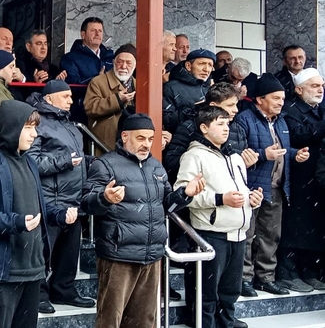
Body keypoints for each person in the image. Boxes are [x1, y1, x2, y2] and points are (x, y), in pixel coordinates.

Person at [82, 114, 204, 328]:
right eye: (141, 138)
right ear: (125, 136)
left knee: (145, 321)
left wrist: (185, 194)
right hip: (118, 256)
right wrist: (105, 198)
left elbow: (167, 205)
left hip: (152, 255)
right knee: (110, 320)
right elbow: (86, 204)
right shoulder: (105, 165)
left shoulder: (156, 167)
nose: (146, 144)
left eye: (150, 139)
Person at [0, 99, 77, 328]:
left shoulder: (29, 163)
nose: (34, 134)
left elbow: (37, 206)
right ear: (12, 127)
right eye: (29, 127)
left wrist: (58, 214)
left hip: (32, 269)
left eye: (35, 128)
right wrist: (13, 222)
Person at [176, 106, 262, 328]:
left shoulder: (234, 157)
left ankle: (226, 324)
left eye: (227, 123)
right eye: (220, 124)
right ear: (204, 128)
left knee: (230, 292)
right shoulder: (193, 155)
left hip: (239, 233)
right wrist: (220, 199)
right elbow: (184, 194)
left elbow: (239, 190)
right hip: (211, 235)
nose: (226, 129)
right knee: (207, 294)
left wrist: (252, 199)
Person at [235, 73, 309, 297]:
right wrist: (261, 155)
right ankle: (244, 279)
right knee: (247, 235)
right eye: (275, 98)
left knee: (270, 235)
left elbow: (281, 149)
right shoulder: (244, 119)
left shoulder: (282, 121)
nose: (280, 102)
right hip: (251, 188)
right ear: (260, 99)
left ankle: (265, 278)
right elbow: (238, 153)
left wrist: (295, 154)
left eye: (282, 98)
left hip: (276, 187)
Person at [26, 80, 94, 313]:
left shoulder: (71, 125)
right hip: (48, 200)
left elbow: (76, 159)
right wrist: (63, 162)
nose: (70, 100)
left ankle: (63, 289)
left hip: (72, 199)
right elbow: (31, 162)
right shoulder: (38, 124)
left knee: (69, 251)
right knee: (44, 251)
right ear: (49, 99)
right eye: (65, 96)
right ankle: (39, 294)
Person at [276, 68, 325, 293]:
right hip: (297, 175)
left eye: (322, 86)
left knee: (315, 227)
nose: (320, 90)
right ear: (299, 89)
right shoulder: (289, 109)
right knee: (295, 226)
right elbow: (298, 134)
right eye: (314, 86)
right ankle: (288, 272)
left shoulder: (321, 109)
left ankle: (310, 271)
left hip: (318, 176)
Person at [163, 83, 255, 180]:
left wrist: (246, 163)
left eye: (236, 104)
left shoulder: (238, 129)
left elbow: (240, 171)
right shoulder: (190, 127)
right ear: (213, 106)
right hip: (201, 190)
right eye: (230, 105)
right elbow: (171, 162)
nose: (236, 110)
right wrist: (204, 166)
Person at [84, 44, 136, 154]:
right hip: (105, 143)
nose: (123, 66)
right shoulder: (98, 82)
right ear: (113, 62)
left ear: (135, 66)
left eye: (129, 63)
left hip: (131, 144)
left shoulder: (139, 84)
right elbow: (90, 107)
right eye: (120, 62)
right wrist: (117, 100)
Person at [163, 48, 216, 133]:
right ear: (188, 66)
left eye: (210, 65)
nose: (206, 69)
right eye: (202, 64)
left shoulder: (212, 88)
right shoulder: (171, 87)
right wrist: (192, 110)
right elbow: (167, 121)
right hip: (182, 139)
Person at [60, 17, 115, 85]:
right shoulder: (69, 59)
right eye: (93, 30)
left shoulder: (110, 57)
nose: (97, 34)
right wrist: (97, 79)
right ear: (83, 34)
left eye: (100, 31)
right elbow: (72, 85)